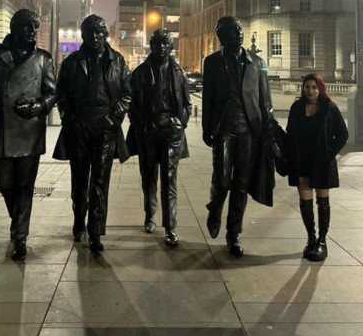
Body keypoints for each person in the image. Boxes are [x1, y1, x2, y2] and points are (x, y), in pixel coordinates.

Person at [0, 9, 56, 262]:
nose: (32, 31)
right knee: (3, 183)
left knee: (25, 186)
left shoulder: (43, 59)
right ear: (14, 27)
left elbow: (52, 93)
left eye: (35, 27)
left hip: (29, 130)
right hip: (1, 130)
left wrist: (39, 106)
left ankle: (20, 237)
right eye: (28, 26)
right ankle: (17, 220)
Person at [53, 15, 131, 253]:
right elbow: (61, 93)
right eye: (91, 32)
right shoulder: (72, 62)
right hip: (80, 127)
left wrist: (114, 118)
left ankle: (96, 230)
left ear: (105, 34)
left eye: (99, 32)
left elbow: (126, 94)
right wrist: (69, 118)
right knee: (79, 180)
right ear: (83, 35)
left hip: (106, 127)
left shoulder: (118, 61)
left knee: (100, 181)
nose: (96, 37)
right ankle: (79, 220)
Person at [202, 16, 275, 256]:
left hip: (249, 129)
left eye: (240, 29)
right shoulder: (212, 62)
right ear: (222, 36)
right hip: (224, 127)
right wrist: (206, 128)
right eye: (234, 30)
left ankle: (233, 234)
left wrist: (268, 129)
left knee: (241, 184)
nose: (239, 33)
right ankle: (215, 208)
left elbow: (265, 100)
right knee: (222, 180)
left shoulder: (258, 62)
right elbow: (208, 98)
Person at [127, 29, 192, 247]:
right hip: (148, 129)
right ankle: (150, 214)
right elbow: (131, 102)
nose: (161, 48)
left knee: (169, 178)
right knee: (148, 176)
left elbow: (187, 104)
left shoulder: (179, 73)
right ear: (151, 46)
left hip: (171, 130)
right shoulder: (140, 73)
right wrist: (139, 123)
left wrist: (181, 122)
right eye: (157, 44)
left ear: (171, 47)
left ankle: (170, 226)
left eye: (165, 44)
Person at [285, 73, 348, 262]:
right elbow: (290, 132)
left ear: (320, 89)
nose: (310, 91)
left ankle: (322, 241)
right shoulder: (297, 107)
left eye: (314, 87)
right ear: (303, 89)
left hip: (321, 162)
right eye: (307, 87)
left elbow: (342, 134)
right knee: (305, 202)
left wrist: (328, 154)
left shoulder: (329, 108)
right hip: (301, 160)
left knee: (322, 202)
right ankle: (311, 239)